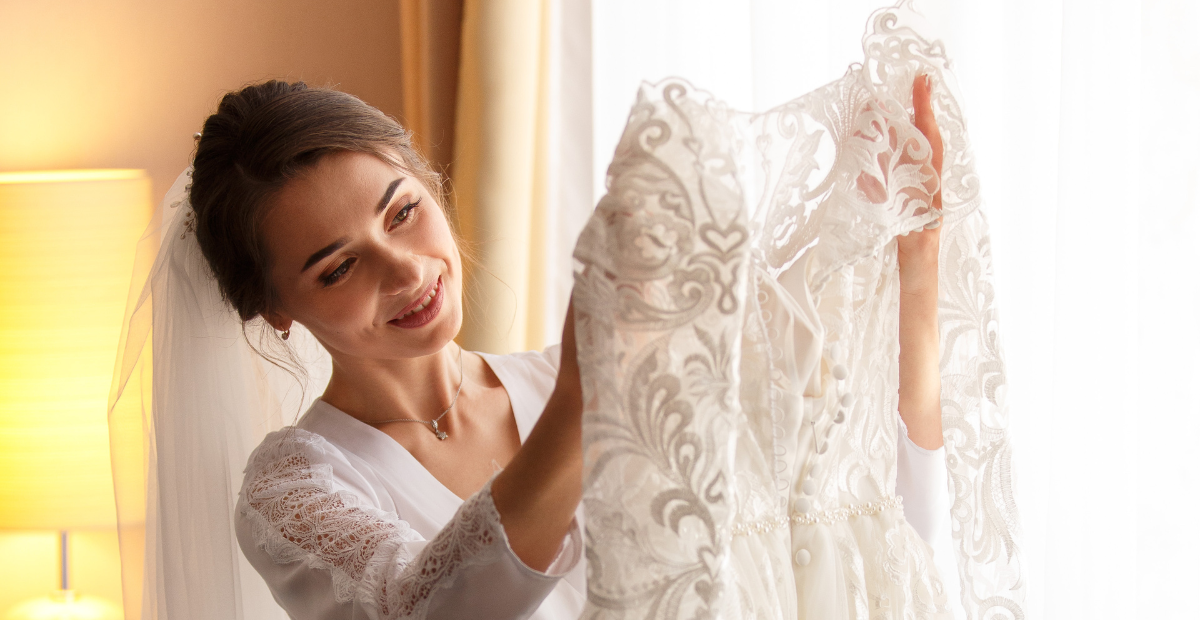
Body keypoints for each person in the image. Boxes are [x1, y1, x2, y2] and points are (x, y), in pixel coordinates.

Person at [113, 63, 952, 617]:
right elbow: (425, 606)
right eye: (338, 268)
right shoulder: (294, 488)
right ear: (276, 309)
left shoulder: (567, 377)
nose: (406, 272)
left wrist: (913, 268)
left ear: (430, 181)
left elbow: (858, 511)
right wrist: (592, 401)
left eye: (403, 211)